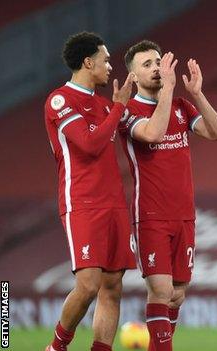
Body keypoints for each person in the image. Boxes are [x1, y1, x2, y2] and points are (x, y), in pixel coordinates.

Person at [120, 40, 217, 350]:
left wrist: (197, 94)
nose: (156, 69)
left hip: (184, 214)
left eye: (157, 62)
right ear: (134, 77)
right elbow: (152, 133)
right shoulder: (127, 111)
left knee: (178, 293)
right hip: (150, 215)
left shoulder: (181, 106)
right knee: (161, 290)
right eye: (147, 65)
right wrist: (167, 90)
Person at [44, 31, 135, 351]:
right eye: (106, 59)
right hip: (82, 202)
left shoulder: (104, 105)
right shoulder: (60, 100)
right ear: (88, 62)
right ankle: (57, 346)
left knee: (112, 286)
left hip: (114, 204)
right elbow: (90, 144)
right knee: (88, 285)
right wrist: (118, 107)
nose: (111, 66)